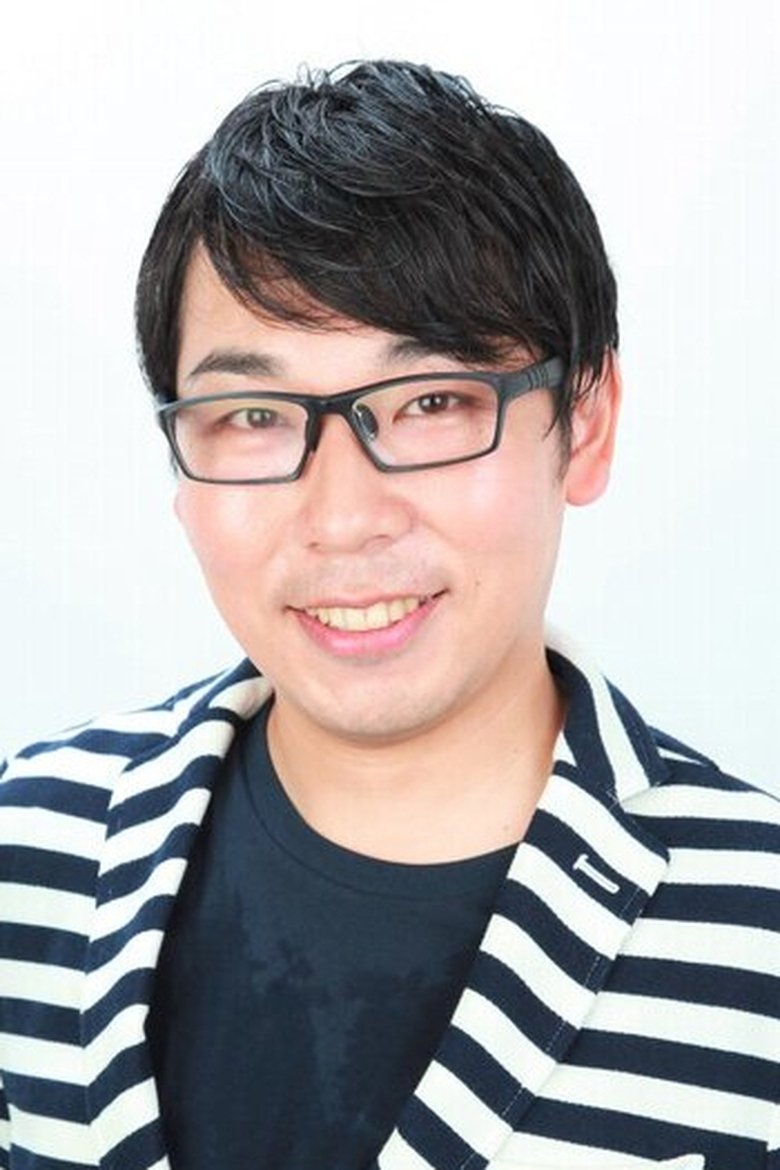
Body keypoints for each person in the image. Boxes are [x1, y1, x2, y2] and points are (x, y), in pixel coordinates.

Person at [0, 59, 777, 1170]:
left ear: (587, 424)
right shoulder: (31, 849)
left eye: (431, 402)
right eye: (255, 415)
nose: (343, 519)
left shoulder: (756, 929)